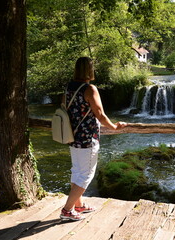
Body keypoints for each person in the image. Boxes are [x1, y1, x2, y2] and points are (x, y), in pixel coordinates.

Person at [60, 57, 127, 221]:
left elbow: (64, 108)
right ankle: (67, 210)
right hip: (87, 138)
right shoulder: (90, 89)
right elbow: (101, 114)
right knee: (86, 175)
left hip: (72, 136)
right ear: (90, 70)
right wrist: (114, 127)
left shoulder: (69, 87)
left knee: (77, 172)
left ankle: (79, 205)